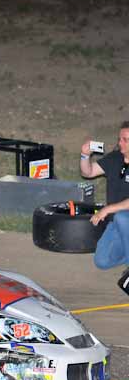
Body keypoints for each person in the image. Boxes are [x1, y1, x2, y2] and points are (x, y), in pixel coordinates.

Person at [81, 122, 129, 295]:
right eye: (120, 139)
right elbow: (88, 172)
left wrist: (107, 209)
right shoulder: (115, 158)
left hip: (124, 219)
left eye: (125, 140)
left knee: (123, 217)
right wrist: (85, 156)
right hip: (116, 223)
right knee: (102, 261)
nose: (120, 143)